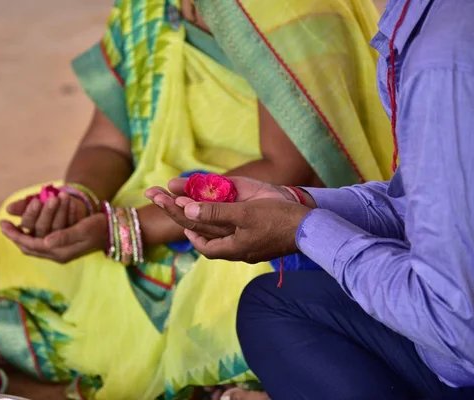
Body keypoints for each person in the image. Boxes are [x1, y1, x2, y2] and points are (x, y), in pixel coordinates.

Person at [0, 0, 392, 398]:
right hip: (157, 196)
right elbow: (107, 143)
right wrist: (77, 201)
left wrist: (127, 229)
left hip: (253, 206)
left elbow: (283, 169)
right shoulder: (148, 8)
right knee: (15, 222)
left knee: (237, 279)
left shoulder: (287, 8)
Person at [147, 0, 474, 399]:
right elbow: (425, 206)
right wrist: (295, 202)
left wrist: (301, 228)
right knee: (268, 303)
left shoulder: (441, 64)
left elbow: (456, 325)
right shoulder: (434, 25)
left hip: (462, 350)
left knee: (251, 301)